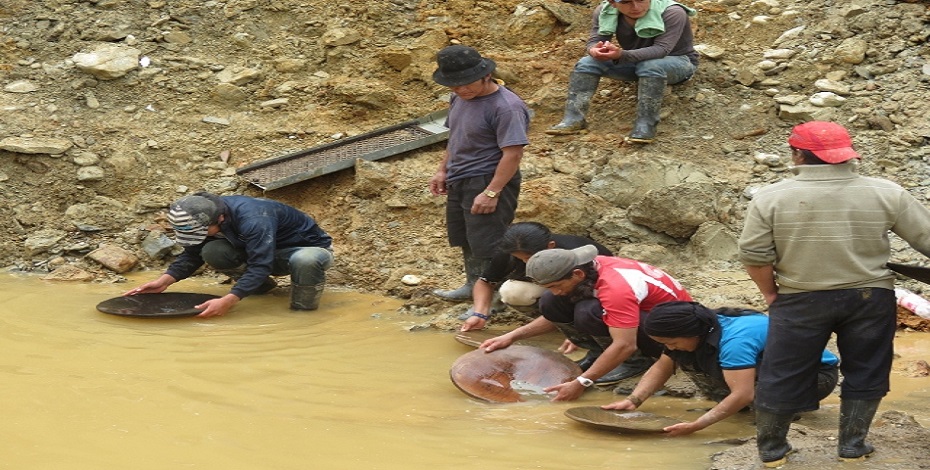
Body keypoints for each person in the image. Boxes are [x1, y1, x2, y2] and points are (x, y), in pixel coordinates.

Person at [738, 121, 930, 466]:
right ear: (846, 155)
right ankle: (852, 447)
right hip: (870, 298)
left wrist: (770, 294)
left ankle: (771, 452)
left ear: (796, 154)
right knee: (867, 369)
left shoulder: (770, 197)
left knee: (783, 371)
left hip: (800, 298)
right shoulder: (887, 192)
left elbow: (754, 257)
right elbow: (927, 240)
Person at [480, 245, 692, 401]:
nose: (556, 290)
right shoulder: (587, 270)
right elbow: (553, 317)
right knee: (550, 302)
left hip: (671, 334)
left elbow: (625, 344)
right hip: (638, 319)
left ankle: (636, 362)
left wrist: (582, 382)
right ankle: (599, 354)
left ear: (577, 274)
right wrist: (512, 336)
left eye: (557, 285)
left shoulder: (616, 287)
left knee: (587, 311)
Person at [603, 301, 839, 437]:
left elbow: (743, 393)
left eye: (671, 342)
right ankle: (750, 409)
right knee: (685, 357)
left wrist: (699, 425)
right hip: (771, 370)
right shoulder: (701, 328)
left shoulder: (735, 341)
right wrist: (634, 400)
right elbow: (662, 366)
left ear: (693, 333)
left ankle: (784, 412)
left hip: (815, 376)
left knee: (757, 404)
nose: (669, 348)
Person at [428, 45, 531, 303]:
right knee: (467, 237)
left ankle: (492, 299)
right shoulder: (459, 99)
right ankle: (472, 284)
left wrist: (491, 192)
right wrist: (443, 170)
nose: (461, 90)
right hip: (460, 177)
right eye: (454, 86)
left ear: (486, 75)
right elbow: (456, 137)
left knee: (489, 241)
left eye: (466, 84)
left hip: (488, 178)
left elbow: (513, 154)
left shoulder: (506, 107)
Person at [125, 192, 334, 317]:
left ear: (221, 219)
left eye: (203, 232)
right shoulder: (203, 214)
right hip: (259, 250)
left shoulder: (254, 219)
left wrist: (229, 300)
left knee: (306, 260)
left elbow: (260, 264)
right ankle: (261, 289)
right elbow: (193, 254)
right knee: (212, 250)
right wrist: (164, 281)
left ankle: (302, 311)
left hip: (302, 251)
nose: (201, 235)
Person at [545, 0, 698, 143]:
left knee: (651, 66)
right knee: (587, 63)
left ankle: (645, 126)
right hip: (638, 63)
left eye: (640, 0)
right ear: (613, 3)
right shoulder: (605, 11)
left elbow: (662, 49)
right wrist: (594, 50)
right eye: (626, 2)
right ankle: (573, 119)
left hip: (679, 62)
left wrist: (622, 55)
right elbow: (595, 40)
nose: (635, 7)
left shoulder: (672, 11)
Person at [459, 221, 613, 332]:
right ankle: (556, 323)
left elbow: (586, 293)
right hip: (557, 287)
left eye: (530, 257)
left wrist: (516, 335)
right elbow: (485, 282)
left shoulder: (574, 256)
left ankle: (571, 325)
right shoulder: (510, 251)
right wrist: (479, 314)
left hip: (595, 291)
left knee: (579, 309)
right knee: (511, 291)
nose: (528, 263)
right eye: (521, 259)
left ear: (550, 246)